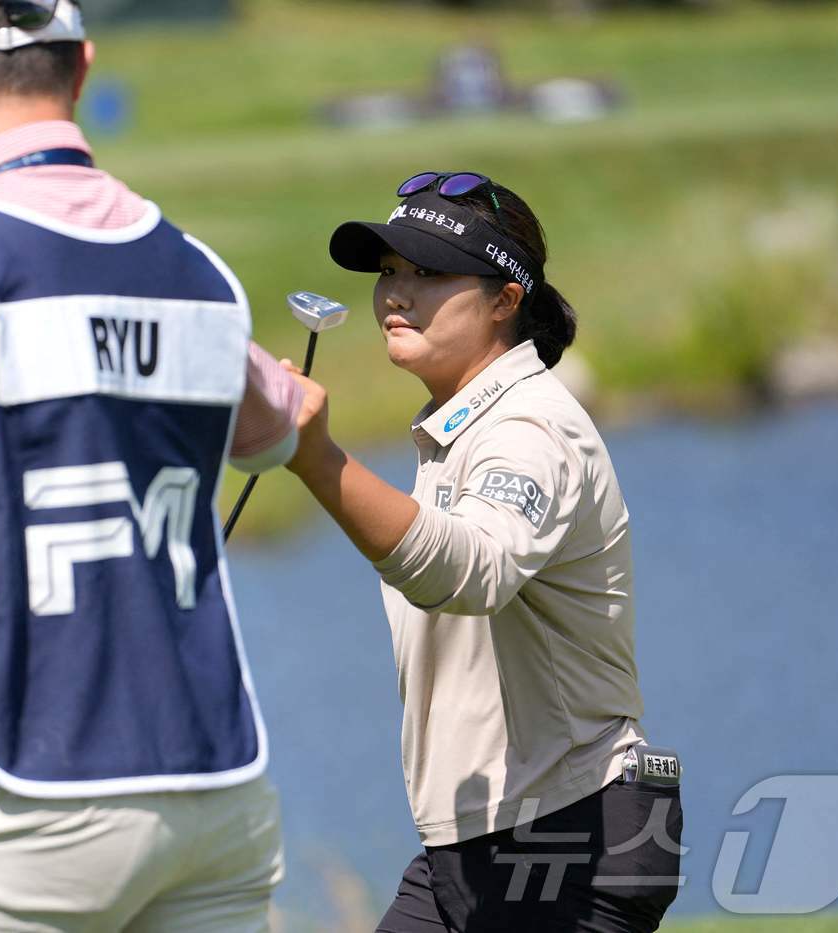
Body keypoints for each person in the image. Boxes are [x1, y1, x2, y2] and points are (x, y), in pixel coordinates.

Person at [0, 1, 303, 929]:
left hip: (30, 794)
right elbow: (278, 424)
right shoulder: (202, 274)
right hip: (214, 785)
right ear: (85, 68)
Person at [278, 172, 683, 932]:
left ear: (506, 298)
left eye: (429, 272)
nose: (396, 293)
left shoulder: (530, 429)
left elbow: (470, 570)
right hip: (478, 836)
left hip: (575, 828)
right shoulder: (458, 429)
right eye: (390, 272)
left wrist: (317, 459)